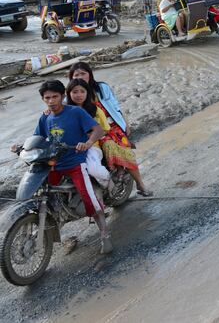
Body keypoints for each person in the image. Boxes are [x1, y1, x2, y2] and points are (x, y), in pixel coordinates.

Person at [23, 80, 112, 254]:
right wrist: (22, 147)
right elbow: (37, 138)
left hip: (75, 163)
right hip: (54, 164)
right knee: (42, 193)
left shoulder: (76, 112)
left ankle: (104, 235)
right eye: (47, 98)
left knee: (90, 201)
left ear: (62, 96)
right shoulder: (45, 117)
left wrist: (87, 143)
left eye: (55, 96)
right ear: (43, 99)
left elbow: (98, 130)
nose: (51, 101)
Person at [68, 62, 152, 197]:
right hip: (91, 131)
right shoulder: (71, 95)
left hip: (111, 125)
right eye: (76, 74)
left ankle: (140, 183)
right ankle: (114, 172)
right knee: (106, 145)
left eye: (83, 73)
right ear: (71, 78)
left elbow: (115, 107)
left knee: (123, 149)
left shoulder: (102, 88)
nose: (81, 76)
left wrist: (125, 123)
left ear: (90, 74)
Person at [65, 78, 114, 191]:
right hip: (70, 147)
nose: (79, 95)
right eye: (75, 92)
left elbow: (105, 128)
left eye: (82, 91)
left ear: (87, 93)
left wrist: (89, 139)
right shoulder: (64, 111)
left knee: (93, 169)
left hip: (91, 146)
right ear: (69, 93)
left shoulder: (95, 110)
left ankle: (109, 180)